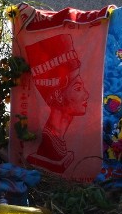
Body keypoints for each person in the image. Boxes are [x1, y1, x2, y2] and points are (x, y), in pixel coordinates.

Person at [24, 34, 89, 173]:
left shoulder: (57, 140)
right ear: (58, 96)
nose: (87, 94)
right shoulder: (49, 143)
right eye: (78, 88)